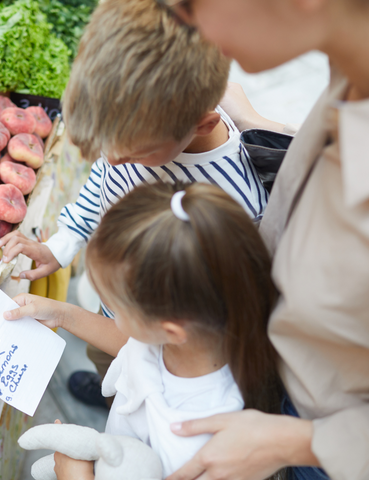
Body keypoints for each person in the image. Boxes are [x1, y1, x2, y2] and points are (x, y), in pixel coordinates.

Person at [0, 0, 267, 407]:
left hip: (158, 350)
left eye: (132, 154)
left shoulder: (236, 204)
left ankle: (116, 399)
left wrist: (74, 318)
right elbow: (104, 182)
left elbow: (182, 337)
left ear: (203, 124)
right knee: (106, 360)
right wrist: (64, 242)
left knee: (126, 392)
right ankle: (106, 378)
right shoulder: (136, 131)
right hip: (116, 312)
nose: (113, 158)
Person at [142, 1, 369, 480]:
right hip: (284, 373)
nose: (180, 27)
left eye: (187, 6)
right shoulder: (351, 70)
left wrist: (301, 443)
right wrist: (260, 128)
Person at [6, 181, 283, 479]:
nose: (108, 308)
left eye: (115, 305)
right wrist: (62, 314)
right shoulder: (196, 336)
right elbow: (133, 346)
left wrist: (76, 476)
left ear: (170, 330)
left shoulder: (195, 443)